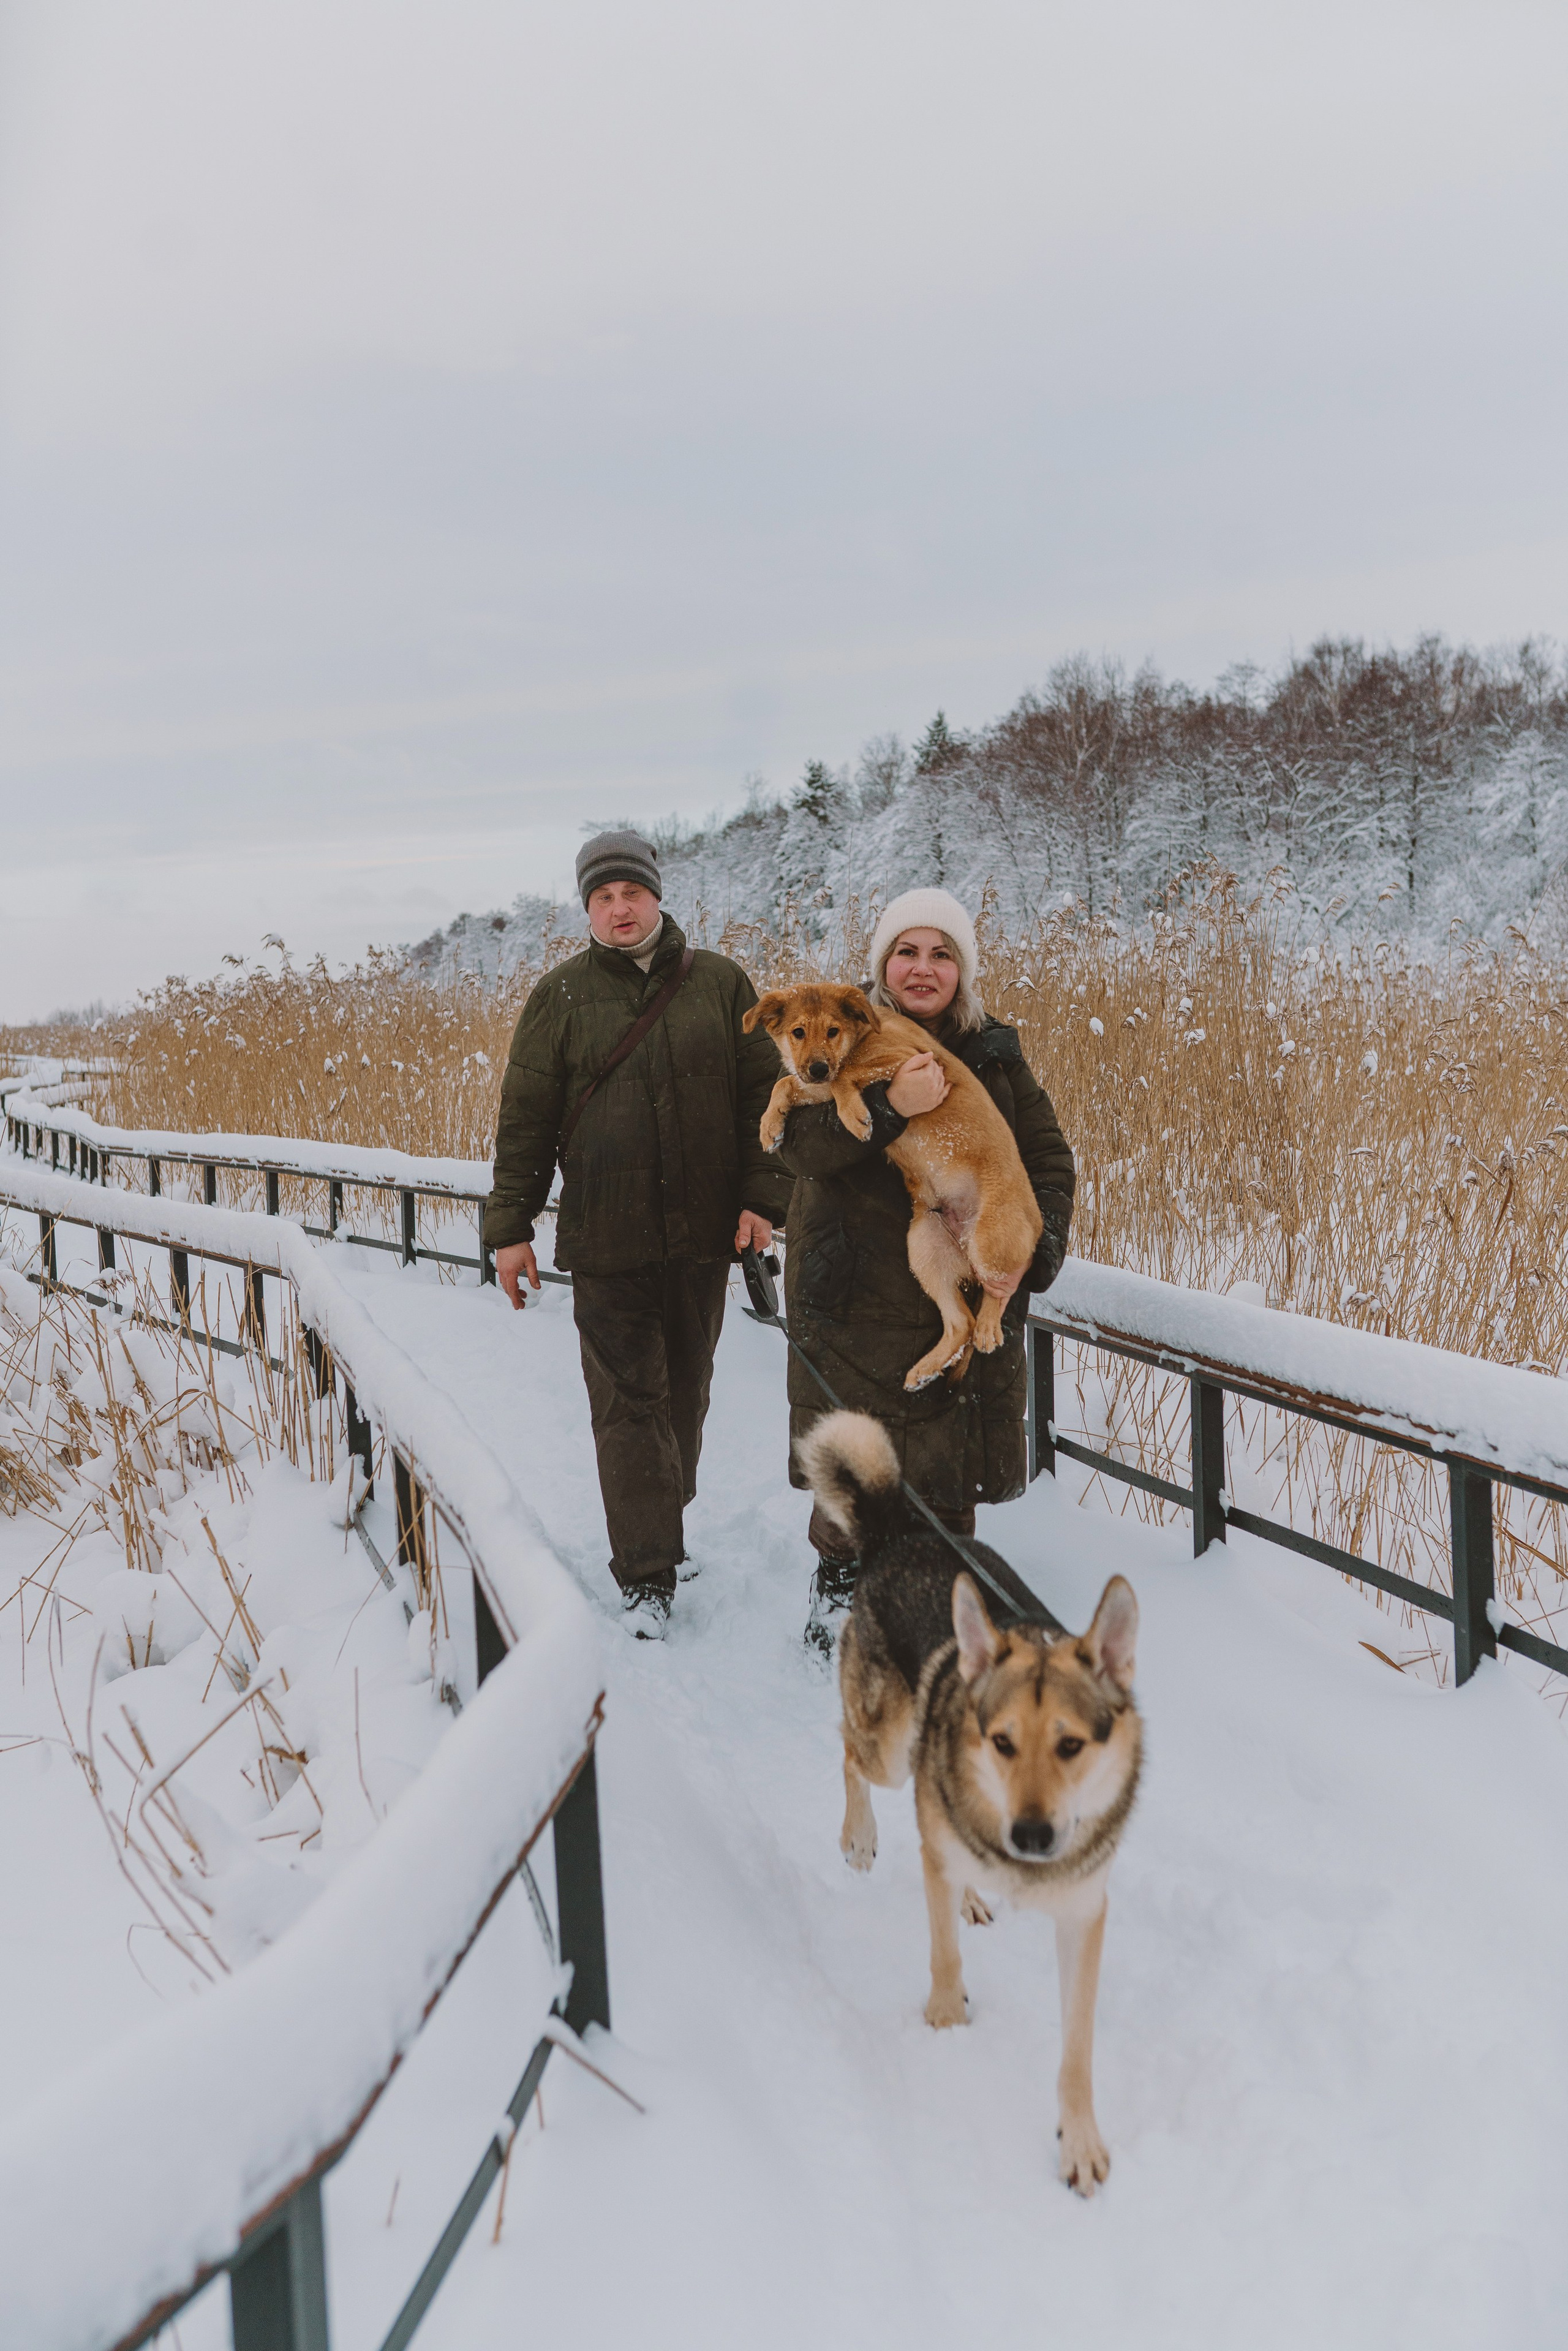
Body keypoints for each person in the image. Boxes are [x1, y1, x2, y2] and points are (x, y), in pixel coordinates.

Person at [485, 829, 792, 1636]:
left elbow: (766, 1101)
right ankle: (647, 1576)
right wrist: (509, 1227)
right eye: (602, 897)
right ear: (586, 907)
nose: (620, 909)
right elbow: (526, 1121)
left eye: (631, 892)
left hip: (702, 1239)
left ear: (658, 894)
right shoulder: (559, 998)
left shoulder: (723, 984)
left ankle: (664, 1518)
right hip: (606, 1239)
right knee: (627, 1404)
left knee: (685, 1397)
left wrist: (764, 1199)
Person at [771, 887, 1074, 1650]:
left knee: (945, 1479)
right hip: (854, 1293)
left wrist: (1030, 1258)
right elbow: (799, 1147)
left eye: (942, 954)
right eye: (906, 951)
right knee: (853, 1467)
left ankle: (939, 1613)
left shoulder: (996, 1053)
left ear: (961, 971)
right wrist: (896, 1107)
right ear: (883, 963)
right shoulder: (829, 1028)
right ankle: (840, 1592)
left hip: (956, 1272)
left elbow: (1046, 1160)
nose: (923, 967)